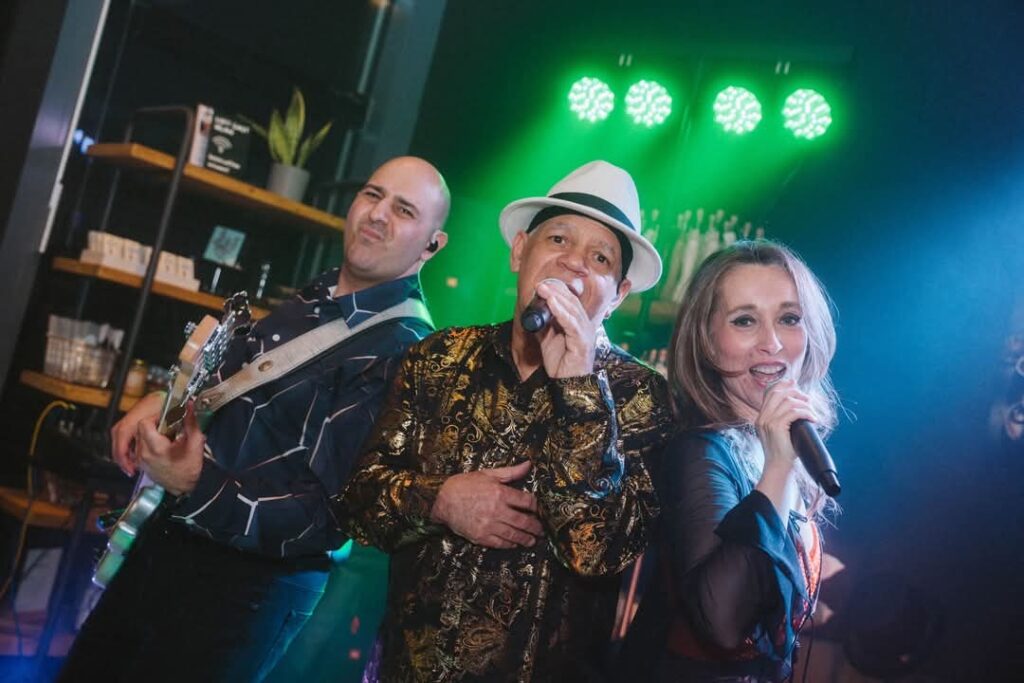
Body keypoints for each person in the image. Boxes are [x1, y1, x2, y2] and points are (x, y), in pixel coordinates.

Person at [59, 156, 451, 682]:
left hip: (245, 589)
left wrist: (196, 485)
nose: (377, 215)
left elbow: (328, 515)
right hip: (177, 542)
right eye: (372, 194)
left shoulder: (404, 350)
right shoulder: (318, 297)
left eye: (403, 210)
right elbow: (236, 387)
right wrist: (169, 398)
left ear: (432, 245)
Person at [331, 160, 677, 682]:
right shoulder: (439, 357)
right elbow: (358, 502)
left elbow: (597, 552)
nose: (574, 263)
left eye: (600, 257)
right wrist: (441, 500)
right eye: (558, 239)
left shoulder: (642, 395)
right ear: (519, 252)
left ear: (618, 294)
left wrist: (579, 388)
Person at [617, 239, 840, 682]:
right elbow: (721, 622)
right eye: (744, 321)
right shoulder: (699, 451)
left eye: (789, 319)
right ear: (708, 343)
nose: (772, 343)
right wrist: (778, 468)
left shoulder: (776, 447)